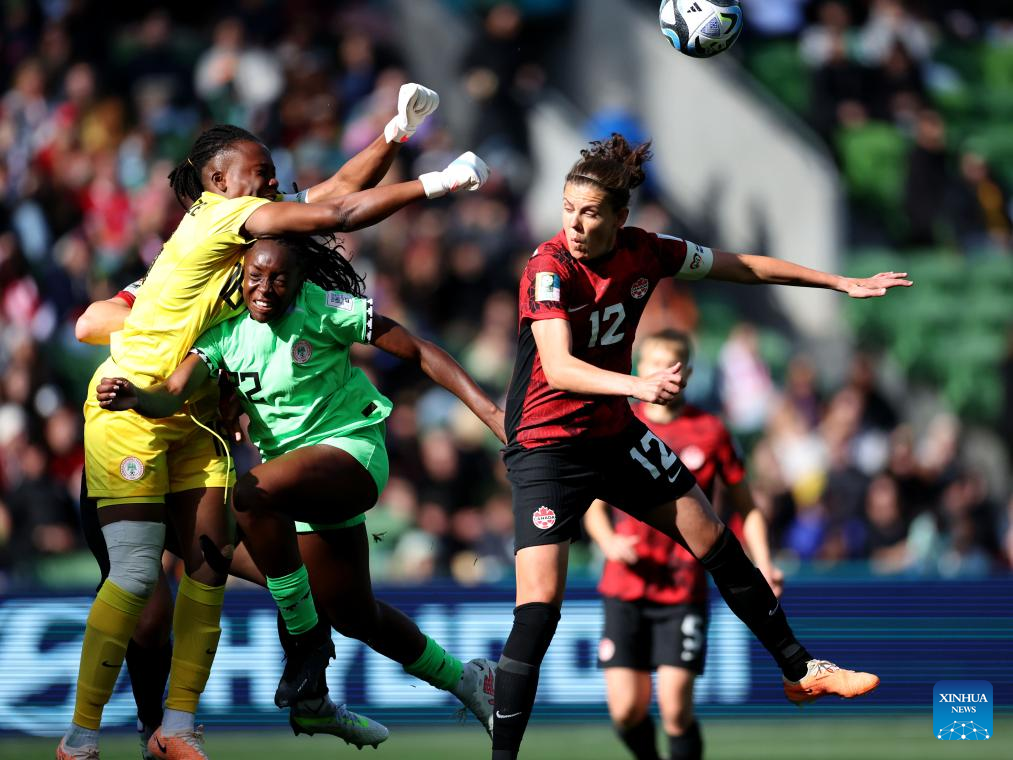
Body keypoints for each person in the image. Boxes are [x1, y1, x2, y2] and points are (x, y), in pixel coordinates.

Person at [60, 83, 490, 760]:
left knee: (325, 596)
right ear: (220, 186)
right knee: (149, 606)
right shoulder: (196, 263)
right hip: (138, 429)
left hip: (216, 445)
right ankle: (149, 733)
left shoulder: (270, 267)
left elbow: (337, 195)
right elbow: (90, 320)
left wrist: (394, 134)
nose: (273, 188)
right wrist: (168, 337)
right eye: (260, 178)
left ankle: (339, 690)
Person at [492, 134, 907, 760]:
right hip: (547, 444)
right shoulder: (548, 267)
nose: (575, 224)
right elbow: (558, 367)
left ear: (620, 218)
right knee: (540, 607)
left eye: (591, 212)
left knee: (713, 536)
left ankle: (800, 671)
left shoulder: (647, 253)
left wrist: (838, 282)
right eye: (567, 208)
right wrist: (639, 384)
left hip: (612, 433)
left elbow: (742, 265)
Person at [95, 234, 504, 742]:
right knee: (355, 614)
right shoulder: (224, 334)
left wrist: (490, 413)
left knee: (249, 495)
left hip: (350, 456)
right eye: (254, 278)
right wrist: (136, 397)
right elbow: (172, 392)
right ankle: (468, 680)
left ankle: (306, 643)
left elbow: (417, 349)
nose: (264, 289)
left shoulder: (328, 309)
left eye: (278, 278)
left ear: (300, 282)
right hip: (293, 489)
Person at [584, 329, 782, 760]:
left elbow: (746, 509)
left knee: (675, 709)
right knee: (626, 711)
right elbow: (591, 503)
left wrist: (764, 564)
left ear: (686, 373)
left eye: (669, 364)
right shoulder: (618, 423)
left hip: (682, 587)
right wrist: (608, 542)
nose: (659, 372)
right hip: (625, 584)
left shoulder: (710, 431)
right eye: (650, 362)